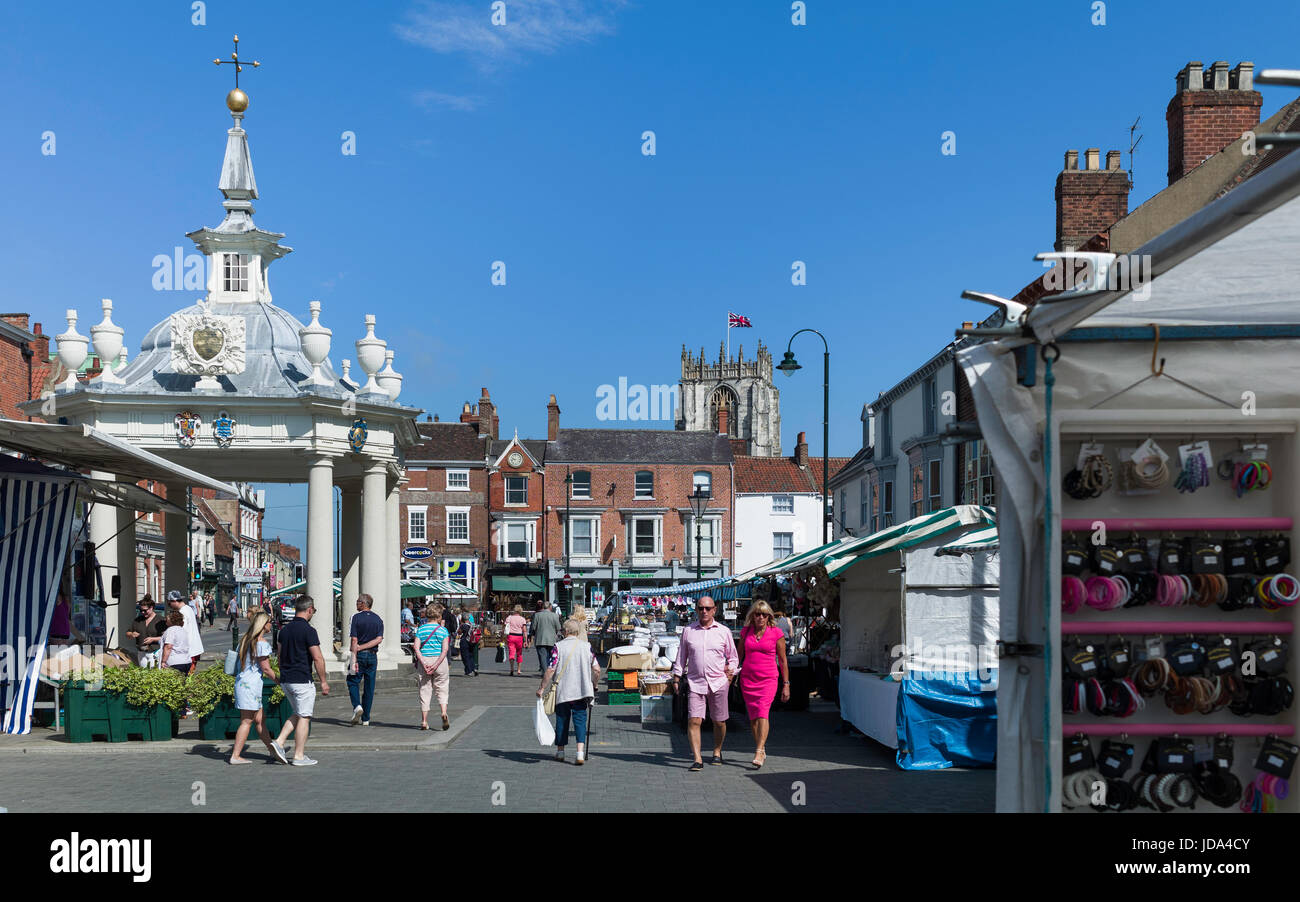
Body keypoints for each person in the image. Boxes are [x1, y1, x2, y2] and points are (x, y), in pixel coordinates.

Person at [672, 595, 738, 771]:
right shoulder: (689, 631)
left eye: (708, 608)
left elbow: (733, 657)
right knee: (694, 720)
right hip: (695, 682)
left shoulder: (724, 631)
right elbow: (681, 656)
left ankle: (717, 751)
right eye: (701, 608)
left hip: (718, 682)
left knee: (719, 721)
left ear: (714, 610)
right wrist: (677, 677)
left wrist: (730, 674)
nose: (704, 611)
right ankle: (697, 758)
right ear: (696, 610)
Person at [272, 595, 331, 766]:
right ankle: (298, 755)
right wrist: (323, 681)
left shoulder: (284, 630)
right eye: (313, 611)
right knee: (304, 716)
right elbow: (318, 658)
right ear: (309, 609)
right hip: (302, 679)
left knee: (297, 713)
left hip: (286, 679)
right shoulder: (309, 631)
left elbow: (280, 656)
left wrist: (282, 674)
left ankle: (279, 741)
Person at [537, 619, 602, 765]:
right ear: (578, 631)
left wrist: (542, 687)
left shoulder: (558, 647)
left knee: (562, 720)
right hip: (582, 691)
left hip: (563, 691)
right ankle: (579, 753)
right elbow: (597, 669)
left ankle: (560, 752)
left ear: (565, 631)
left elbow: (551, 669)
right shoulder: (587, 647)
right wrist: (594, 685)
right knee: (580, 721)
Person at [229, 611, 288, 765]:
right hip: (250, 686)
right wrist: (280, 682)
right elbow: (266, 669)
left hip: (243, 683)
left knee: (260, 720)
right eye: (269, 621)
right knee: (247, 721)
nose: (271, 624)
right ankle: (235, 755)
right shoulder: (261, 643)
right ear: (263, 624)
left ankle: (273, 750)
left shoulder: (245, 640)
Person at [737, 600, 789, 769]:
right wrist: (730, 673)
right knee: (753, 718)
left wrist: (786, 684)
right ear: (752, 616)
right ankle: (761, 747)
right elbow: (738, 656)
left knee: (762, 712)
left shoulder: (776, 633)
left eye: (764, 614)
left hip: (768, 679)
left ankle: (759, 750)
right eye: (757, 614)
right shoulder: (746, 632)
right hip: (748, 679)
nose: (760, 617)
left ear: (769, 617)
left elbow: (782, 660)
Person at [347, 593, 384, 726]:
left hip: (359, 655)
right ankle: (366, 718)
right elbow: (379, 639)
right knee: (369, 686)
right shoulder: (378, 619)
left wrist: (355, 655)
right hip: (373, 656)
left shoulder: (355, 617)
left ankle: (357, 706)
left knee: (352, 680)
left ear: (363, 604)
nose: (356, 604)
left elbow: (354, 639)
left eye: (358, 602)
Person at [414, 603, 450, 730]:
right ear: (439, 616)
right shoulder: (443, 630)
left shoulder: (421, 629)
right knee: (442, 688)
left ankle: (424, 721)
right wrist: (436, 664)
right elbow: (445, 650)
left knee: (424, 689)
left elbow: (416, 647)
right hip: (439, 662)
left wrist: (423, 662)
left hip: (425, 660)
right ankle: (444, 712)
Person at [166, 590, 205, 673]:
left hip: (189, 651)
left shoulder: (182, 613)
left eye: (169, 603)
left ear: (174, 601)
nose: (169, 606)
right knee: (189, 675)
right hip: (195, 648)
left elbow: (180, 632)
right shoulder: (188, 608)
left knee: (186, 677)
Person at [126, 597, 166, 667]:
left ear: (151, 608)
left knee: (154, 675)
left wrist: (153, 639)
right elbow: (128, 633)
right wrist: (131, 634)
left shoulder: (161, 620)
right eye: (141, 610)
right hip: (141, 652)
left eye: (145, 610)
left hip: (155, 652)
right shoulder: (138, 620)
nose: (143, 612)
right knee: (143, 674)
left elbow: (166, 637)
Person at [531, 600, 561, 675]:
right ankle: (550, 671)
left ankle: (545, 672)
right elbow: (558, 627)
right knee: (551, 656)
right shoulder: (555, 616)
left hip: (540, 639)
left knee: (542, 657)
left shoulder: (537, 615)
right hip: (552, 639)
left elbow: (533, 627)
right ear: (550, 607)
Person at [159, 610, 192, 675]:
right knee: (183, 683)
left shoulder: (171, 630)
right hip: (186, 661)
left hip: (174, 662)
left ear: (172, 620)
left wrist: (163, 661)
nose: (165, 620)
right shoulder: (182, 630)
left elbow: (168, 646)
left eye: (167, 618)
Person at [504, 604, 528, 677]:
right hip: (519, 637)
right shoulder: (522, 619)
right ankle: (519, 669)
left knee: (511, 653)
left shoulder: (509, 618)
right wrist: (526, 641)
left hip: (511, 636)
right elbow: (524, 631)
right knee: (519, 653)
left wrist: (503, 637)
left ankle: (511, 669)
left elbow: (505, 627)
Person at [458, 605, 480, 676]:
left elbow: (459, 632)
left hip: (464, 641)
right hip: (472, 642)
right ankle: (474, 668)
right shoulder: (472, 625)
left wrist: (460, 625)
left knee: (465, 657)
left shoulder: (463, 625)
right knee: (471, 656)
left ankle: (469, 670)